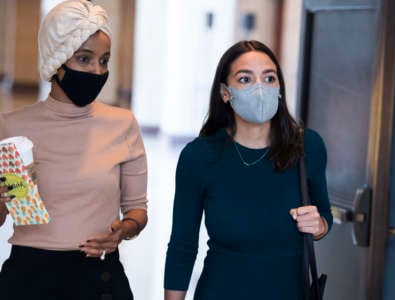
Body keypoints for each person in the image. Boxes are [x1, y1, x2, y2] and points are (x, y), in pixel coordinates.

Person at [0, 1, 147, 299]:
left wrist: (123, 230)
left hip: (98, 278)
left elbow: (138, 210)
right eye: (84, 59)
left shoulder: (122, 124)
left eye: (104, 61)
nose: (96, 70)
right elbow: (7, 213)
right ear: (56, 61)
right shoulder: (11, 127)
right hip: (29, 278)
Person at [163, 40, 333, 300]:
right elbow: (182, 246)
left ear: (279, 88)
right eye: (245, 79)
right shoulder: (199, 156)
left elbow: (325, 218)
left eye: (269, 78)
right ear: (225, 92)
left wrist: (319, 225)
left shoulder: (307, 146)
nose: (259, 88)